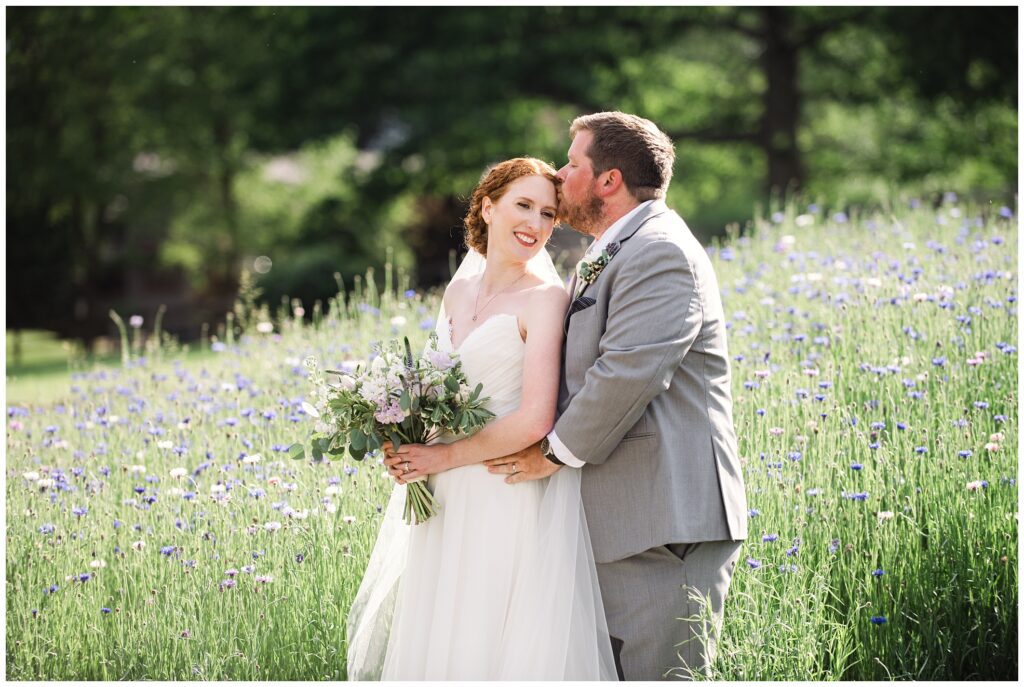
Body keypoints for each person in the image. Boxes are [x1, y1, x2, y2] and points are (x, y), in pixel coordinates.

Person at [483, 112, 749, 680]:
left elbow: (628, 373)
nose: (559, 173)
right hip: (619, 521)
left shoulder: (661, 251)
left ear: (607, 181)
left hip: (662, 524)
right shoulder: (613, 249)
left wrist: (548, 454)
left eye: (572, 162)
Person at [345, 157, 617, 681]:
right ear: (487, 208)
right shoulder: (457, 292)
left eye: (547, 215)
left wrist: (441, 455)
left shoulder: (545, 301)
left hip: (500, 490)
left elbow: (536, 419)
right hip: (441, 496)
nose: (535, 225)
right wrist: (401, 438)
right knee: (439, 634)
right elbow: (430, 388)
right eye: (523, 205)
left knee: (488, 635)